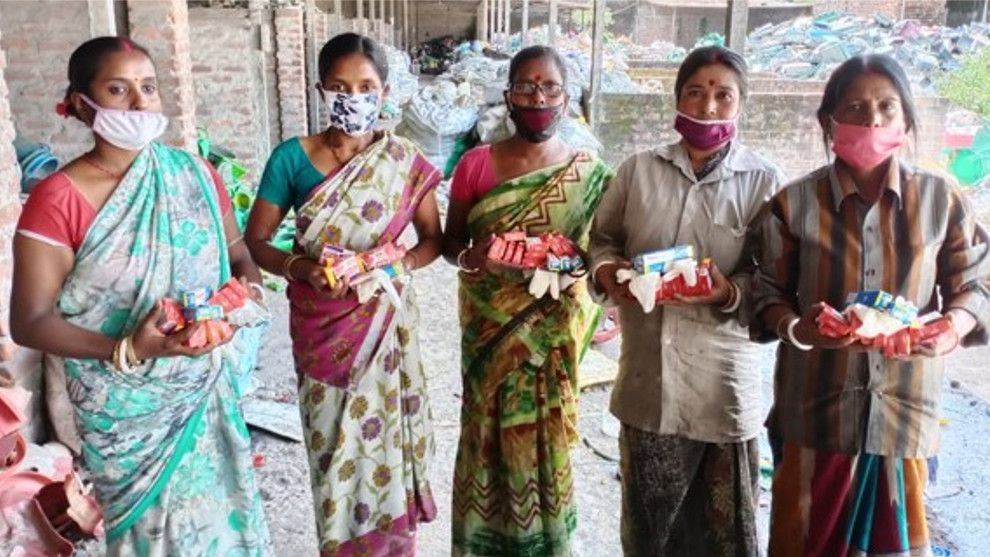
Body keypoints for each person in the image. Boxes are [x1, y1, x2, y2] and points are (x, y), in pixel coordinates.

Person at [10, 37, 271, 555]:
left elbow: (241, 256)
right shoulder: (57, 199)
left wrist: (241, 300)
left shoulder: (196, 174)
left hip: (204, 388)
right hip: (125, 412)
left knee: (225, 530)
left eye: (147, 88)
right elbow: (30, 322)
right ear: (83, 104)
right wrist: (130, 348)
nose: (138, 102)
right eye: (118, 88)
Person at [753, 54, 990, 556]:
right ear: (829, 122)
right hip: (816, 416)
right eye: (855, 107)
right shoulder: (793, 204)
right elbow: (765, 292)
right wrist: (801, 329)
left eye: (887, 106)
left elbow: (977, 281)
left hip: (903, 418)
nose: (873, 120)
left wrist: (952, 327)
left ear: (906, 120)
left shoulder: (940, 200)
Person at [244, 33, 442, 555]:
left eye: (365, 86)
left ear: (385, 92)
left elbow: (433, 240)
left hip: (385, 330)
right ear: (319, 90)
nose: (352, 98)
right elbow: (257, 240)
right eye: (339, 87)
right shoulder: (292, 158)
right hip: (321, 329)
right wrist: (301, 268)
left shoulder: (403, 159)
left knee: (387, 448)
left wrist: (397, 265)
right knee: (333, 450)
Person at [588, 45, 784, 556]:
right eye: (696, 92)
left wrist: (728, 291)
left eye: (724, 94)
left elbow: (774, 279)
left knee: (727, 534)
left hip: (723, 387)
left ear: (741, 104)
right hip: (648, 383)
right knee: (650, 532)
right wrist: (610, 272)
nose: (709, 105)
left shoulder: (763, 181)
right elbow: (603, 240)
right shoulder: (637, 171)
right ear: (677, 100)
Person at [442, 45, 613, 557]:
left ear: (567, 97)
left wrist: (559, 263)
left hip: (550, 336)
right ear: (508, 96)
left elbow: (593, 255)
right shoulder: (474, 166)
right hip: (488, 335)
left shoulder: (589, 174)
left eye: (550, 87)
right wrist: (479, 259)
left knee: (548, 442)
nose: (538, 97)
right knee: (485, 436)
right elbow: (452, 245)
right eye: (526, 86)